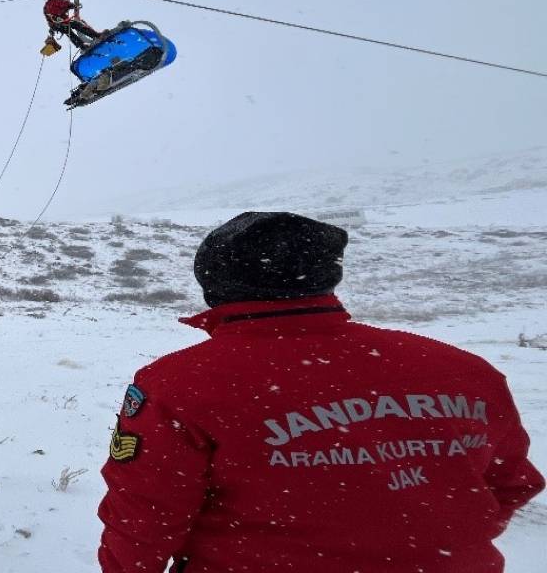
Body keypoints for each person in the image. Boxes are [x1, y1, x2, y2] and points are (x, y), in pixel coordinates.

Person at [97, 212, 543, 573]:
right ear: (326, 278)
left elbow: (144, 517)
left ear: (214, 285)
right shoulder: (462, 370)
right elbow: (511, 484)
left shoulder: (180, 384)